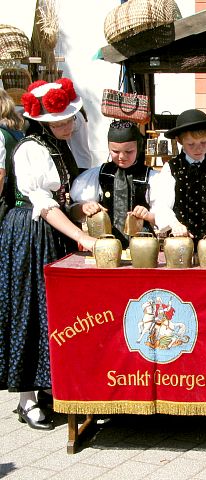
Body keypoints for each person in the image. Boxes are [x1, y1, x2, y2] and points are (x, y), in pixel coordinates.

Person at [0, 78, 96, 431]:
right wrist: (81, 237)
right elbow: (43, 204)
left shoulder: (62, 145)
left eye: (70, 119)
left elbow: (62, 201)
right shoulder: (30, 149)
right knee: (29, 307)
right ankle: (26, 399)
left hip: (53, 234)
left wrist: (80, 209)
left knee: (53, 312)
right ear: (42, 122)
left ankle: (50, 387)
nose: (67, 126)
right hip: (30, 232)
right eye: (59, 122)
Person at [70, 119, 167, 248]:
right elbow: (72, 213)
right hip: (105, 248)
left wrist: (148, 215)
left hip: (143, 248)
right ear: (109, 147)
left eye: (128, 151)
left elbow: (166, 219)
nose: (122, 156)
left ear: (138, 147)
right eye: (115, 151)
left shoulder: (152, 178)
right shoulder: (97, 175)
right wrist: (83, 208)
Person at [156, 109, 206, 244]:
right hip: (177, 243)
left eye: (203, 143)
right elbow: (162, 205)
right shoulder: (171, 168)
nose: (198, 149)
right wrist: (175, 225)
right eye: (191, 144)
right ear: (180, 141)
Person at [0, 88, 26, 217]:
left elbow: (0, 173)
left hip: (4, 193)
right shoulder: (16, 131)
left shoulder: (0, 133)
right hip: (17, 194)